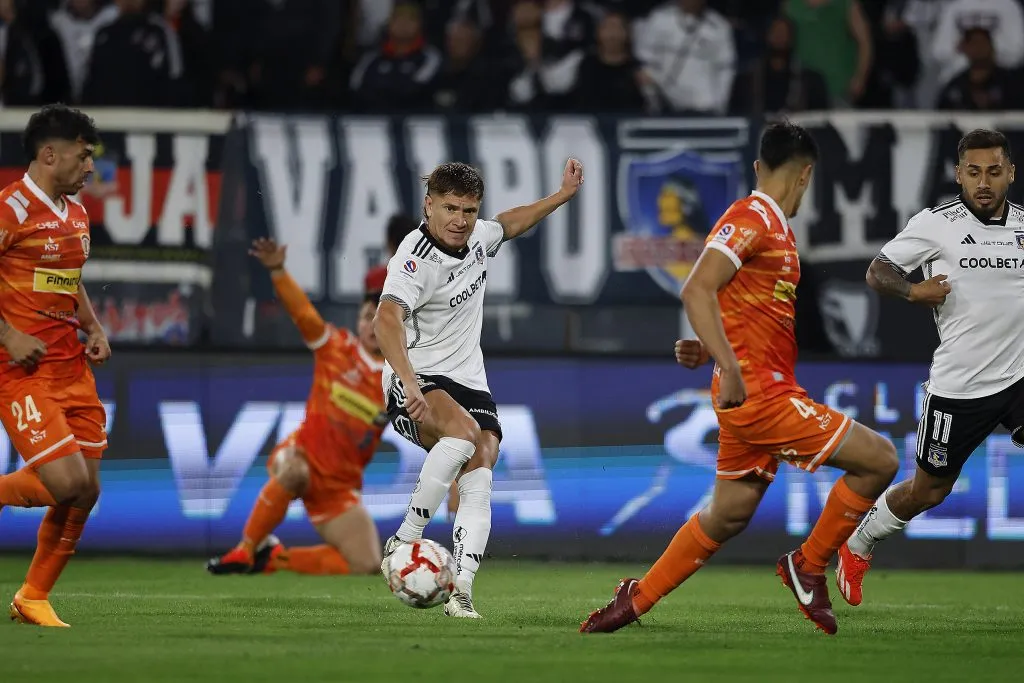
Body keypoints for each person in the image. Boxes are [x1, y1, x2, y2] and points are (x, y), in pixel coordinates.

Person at [579, 122, 899, 636]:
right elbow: (697, 289)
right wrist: (726, 364)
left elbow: (736, 305)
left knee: (728, 514)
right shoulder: (753, 218)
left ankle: (632, 602)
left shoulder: (769, 224)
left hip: (748, 390)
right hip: (760, 394)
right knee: (880, 459)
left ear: (759, 166)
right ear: (806, 175)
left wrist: (710, 348)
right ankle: (809, 564)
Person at [375, 158, 584, 618]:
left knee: (482, 469)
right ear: (428, 206)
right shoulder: (413, 259)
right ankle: (405, 538)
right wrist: (407, 382)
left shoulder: (476, 239)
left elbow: (508, 224)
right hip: (416, 380)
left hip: (469, 383)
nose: (461, 221)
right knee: (464, 435)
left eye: (469, 211)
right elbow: (385, 318)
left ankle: (461, 591)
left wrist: (561, 196)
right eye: (451, 208)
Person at [838, 129, 1024, 606]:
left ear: (1011, 174)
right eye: (974, 172)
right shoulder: (936, 224)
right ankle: (858, 544)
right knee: (928, 491)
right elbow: (878, 272)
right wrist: (914, 291)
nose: (985, 182)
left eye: (995, 171)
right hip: (960, 387)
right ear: (959, 175)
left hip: (1020, 377)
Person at [206, 238, 388, 577]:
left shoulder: (400, 379)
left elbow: (428, 426)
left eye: (382, 319)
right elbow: (304, 314)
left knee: (366, 564)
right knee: (293, 472)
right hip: (301, 454)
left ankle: (272, 559)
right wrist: (277, 271)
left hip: (341, 486)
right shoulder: (336, 347)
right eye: (367, 316)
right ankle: (244, 550)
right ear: (359, 322)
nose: (373, 325)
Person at [0, 104, 111, 627]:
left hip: (71, 369)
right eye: (83, 156)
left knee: (86, 490)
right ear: (50, 154)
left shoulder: (76, 213)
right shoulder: (12, 209)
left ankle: (33, 597)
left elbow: (70, 277)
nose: (90, 167)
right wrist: (8, 334)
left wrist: (92, 326)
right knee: (66, 483)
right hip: (21, 371)